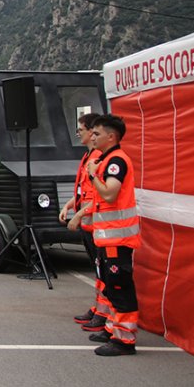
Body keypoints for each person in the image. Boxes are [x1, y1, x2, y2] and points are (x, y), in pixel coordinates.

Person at [86, 114, 141, 356]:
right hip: (106, 239)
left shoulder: (116, 161)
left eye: (97, 133)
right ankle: (111, 329)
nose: (92, 137)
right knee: (110, 287)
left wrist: (92, 175)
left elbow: (109, 194)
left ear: (111, 136)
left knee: (120, 289)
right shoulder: (107, 160)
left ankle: (124, 341)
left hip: (117, 241)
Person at [60, 113, 110, 333]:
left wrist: (79, 214)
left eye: (81, 130)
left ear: (92, 132)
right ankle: (98, 308)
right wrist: (70, 205)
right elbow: (84, 191)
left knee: (103, 271)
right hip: (89, 225)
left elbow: (100, 196)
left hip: (97, 225)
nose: (78, 134)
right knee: (97, 270)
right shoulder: (88, 156)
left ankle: (103, 312)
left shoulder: (98, 158)